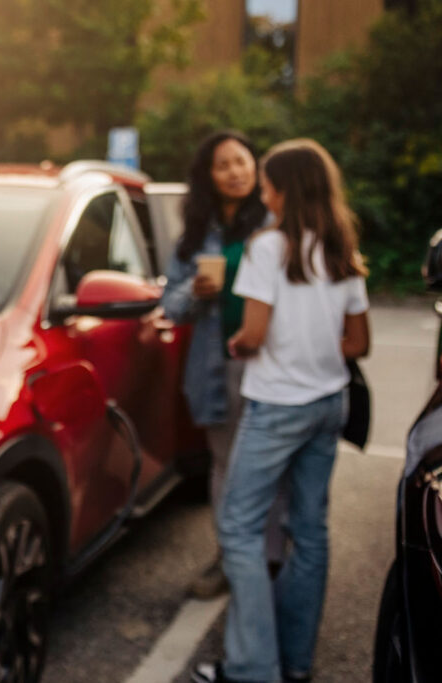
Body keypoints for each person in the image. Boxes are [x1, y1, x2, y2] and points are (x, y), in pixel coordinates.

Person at [192, 139, 371, 683]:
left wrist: (238, 347)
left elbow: (253, 334)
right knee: (309, 531)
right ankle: (293, 664)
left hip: (276, 406)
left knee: (239, 526)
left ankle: (251, 669)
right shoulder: (342, 247)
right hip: (328, 404)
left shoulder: (266, 247)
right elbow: (357, 342)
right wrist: (313, 345)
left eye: (267, 182)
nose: (262, 191)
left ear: (284, 188)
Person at [161, 130, 287, 599]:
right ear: (208, 177)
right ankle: (229, 555)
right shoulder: (196, 234)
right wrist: (193, 292)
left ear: (256, 166)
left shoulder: (276, 220)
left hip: (272, 360)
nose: (236, 171)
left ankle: (271, 558)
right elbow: (169, 306)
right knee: (226, 463)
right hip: (220, 364)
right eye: (223, 165)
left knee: (273, 465)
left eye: (242, 161)